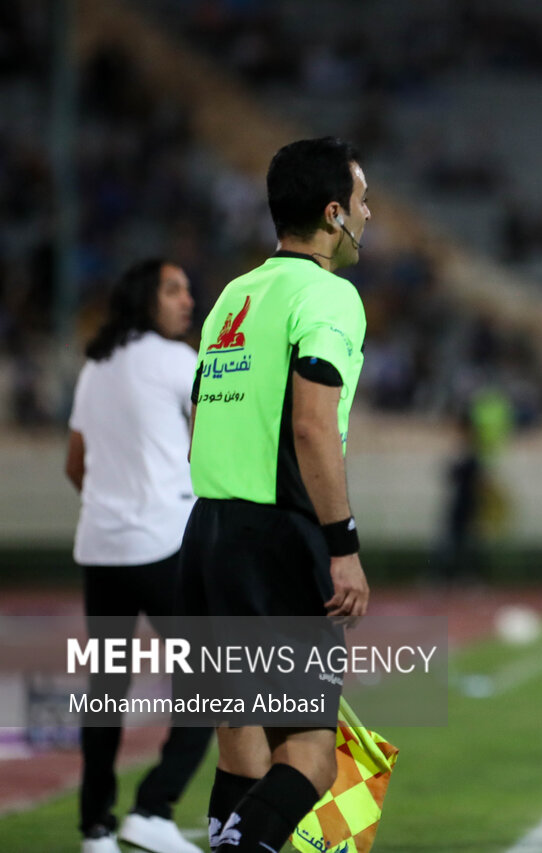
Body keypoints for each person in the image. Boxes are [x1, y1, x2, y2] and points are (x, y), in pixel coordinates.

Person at [179, 137, 371, 853]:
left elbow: (203, 417)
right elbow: (314, 428)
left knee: (242, 742)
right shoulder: (329, 296)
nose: (369, 213)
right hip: (275, 541)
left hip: (206, 535)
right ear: (332, 214)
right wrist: (342, 546)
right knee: (312, 754)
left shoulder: (235, 293)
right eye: (360, 201)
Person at [66, 259, 212, 853]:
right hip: (163, 544)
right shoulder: (181, 361)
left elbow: (75, 465)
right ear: (143, 300)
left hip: (100, 547)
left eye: (186, 288)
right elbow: (211, 448)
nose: (188, 299)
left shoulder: (94, 366)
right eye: (173, 290)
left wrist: (114, 505)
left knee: (106, 690)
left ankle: (95, 828)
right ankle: (153, 809)